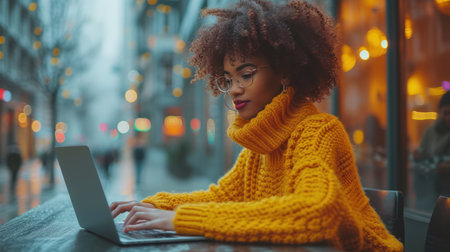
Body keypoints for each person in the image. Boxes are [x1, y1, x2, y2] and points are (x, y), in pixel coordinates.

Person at [110, 1, 403, 251]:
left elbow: (318, 210)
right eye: (228, 79)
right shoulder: (260, 146)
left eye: (246, 74)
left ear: (284, 72)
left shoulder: (318, 130)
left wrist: (181, 220)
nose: (235, 89)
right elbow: (220, 197)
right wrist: (156, 205)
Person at [413, 91, 450, 202]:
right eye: (446, 113)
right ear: (439, 112)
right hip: (429, 193)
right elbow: (418, 160)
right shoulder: (430, 131)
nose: (449, 117)